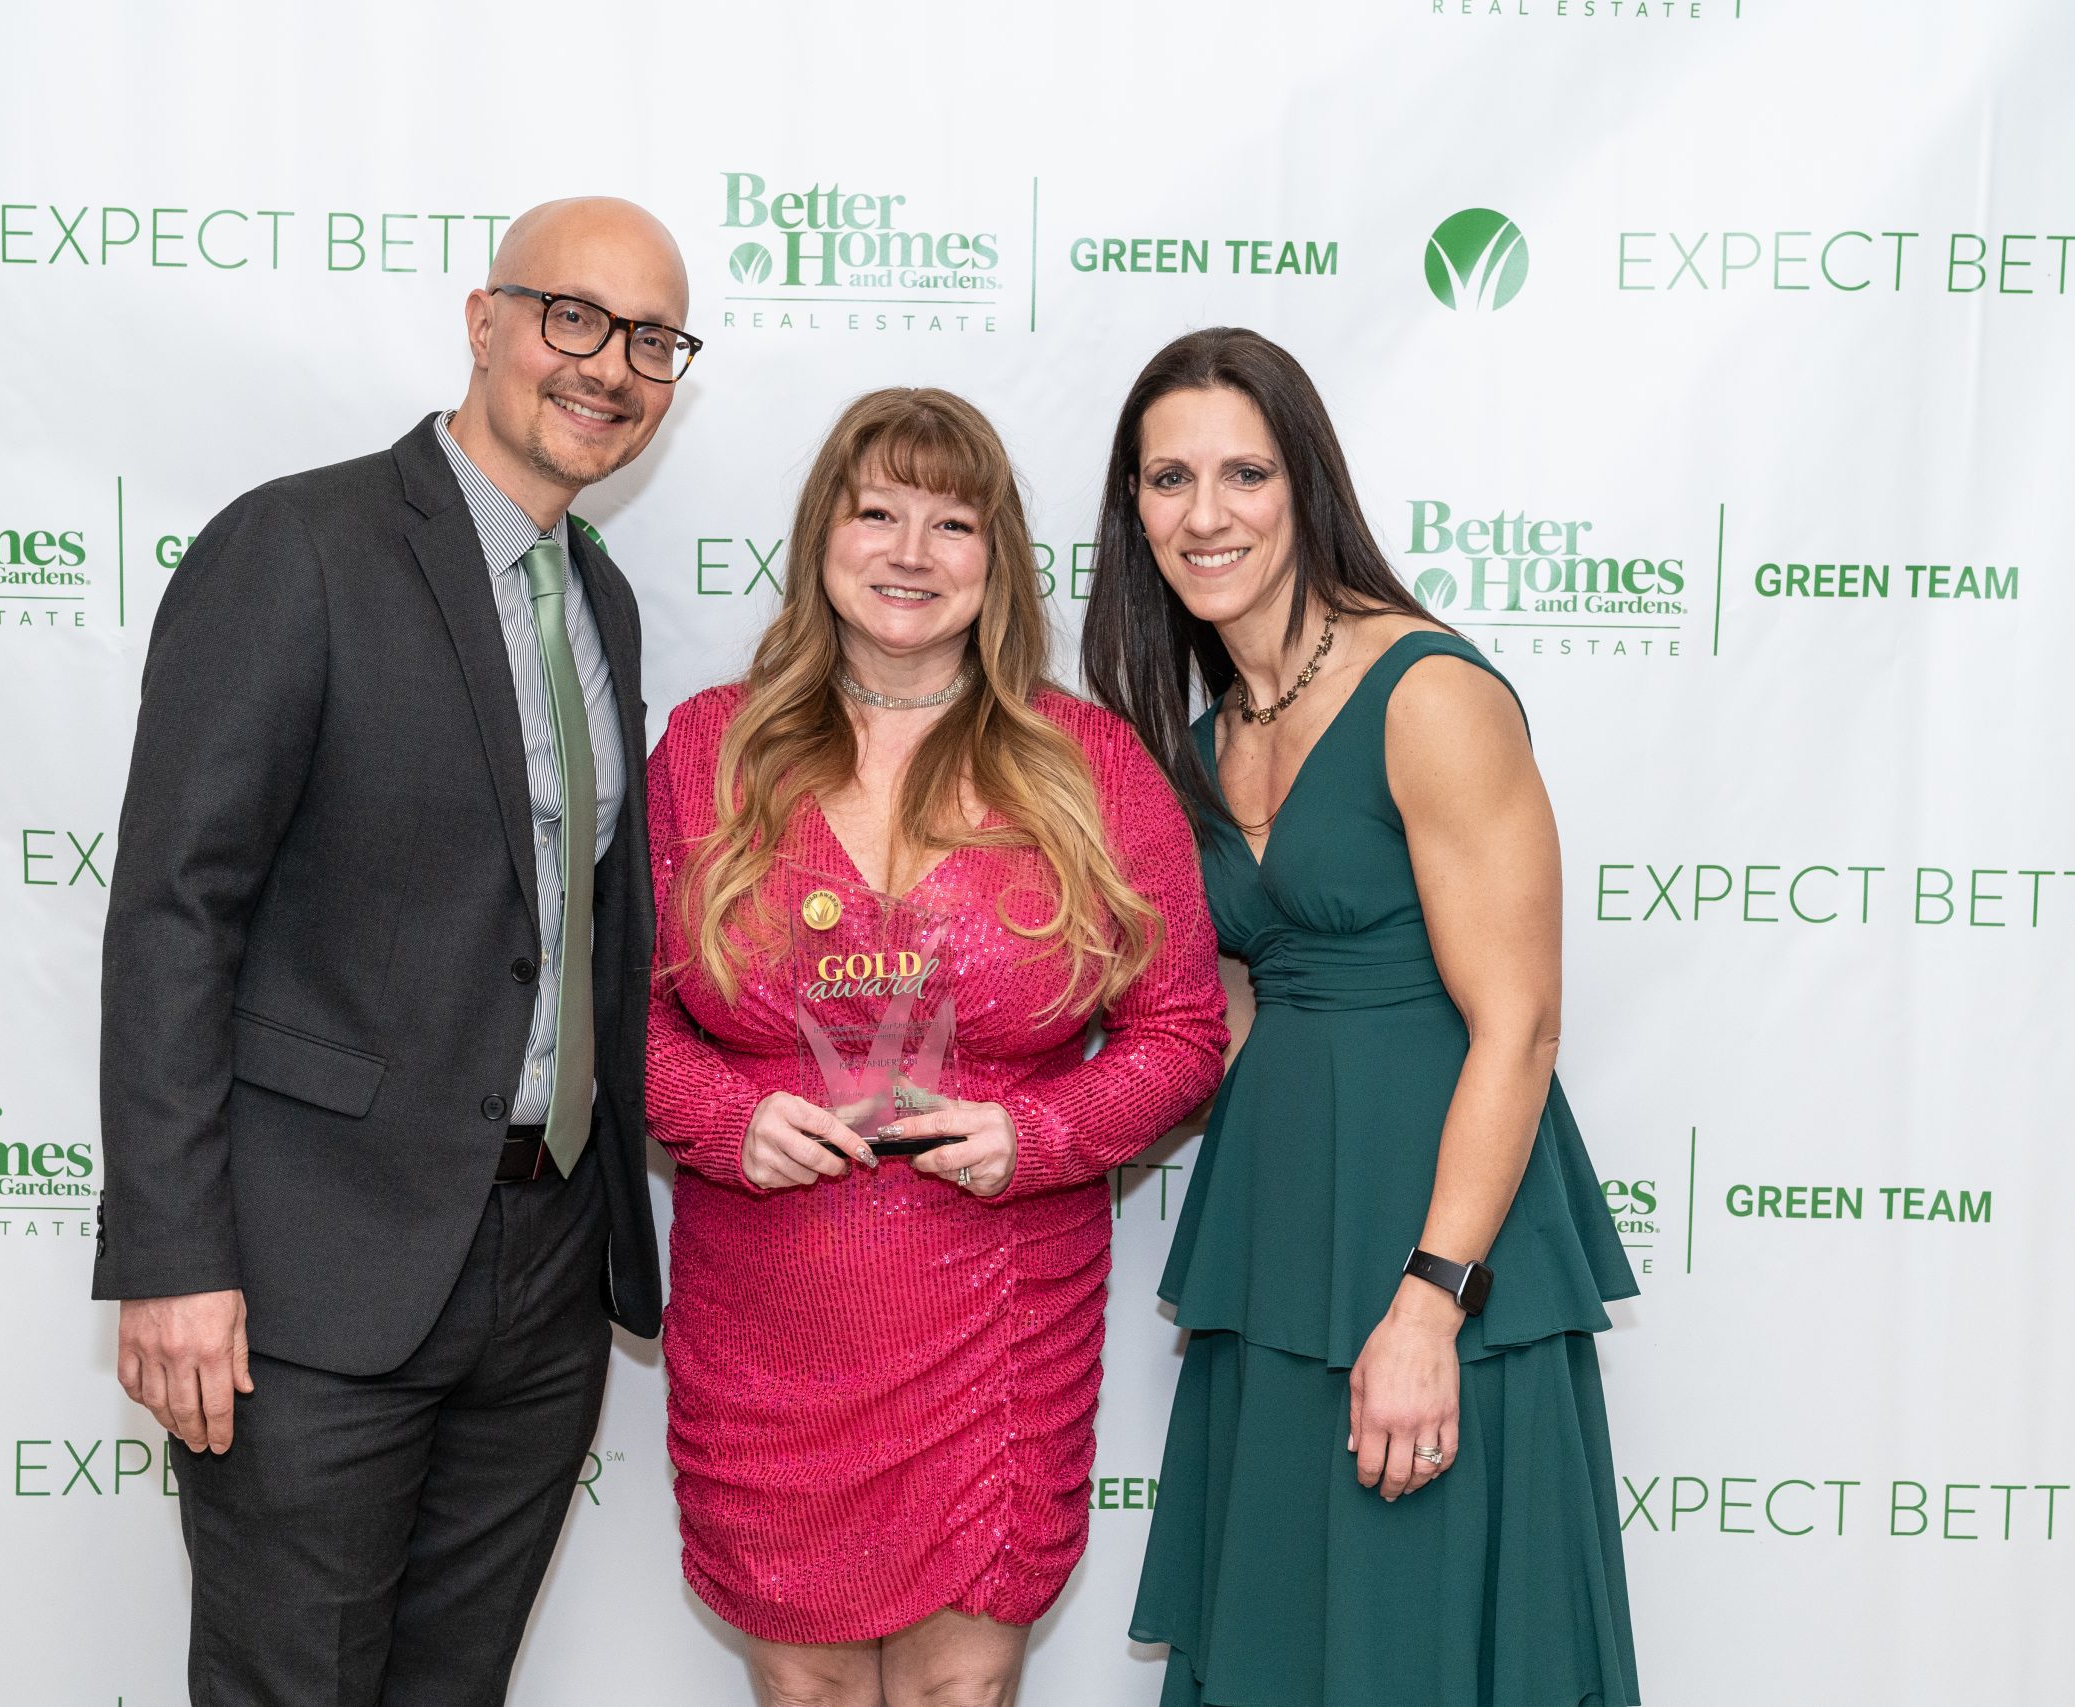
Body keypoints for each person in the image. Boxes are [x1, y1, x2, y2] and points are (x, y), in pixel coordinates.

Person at [93, 197, 698, 1706]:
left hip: (545, 1275)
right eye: (573, 316)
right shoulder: (297, 547)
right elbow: (174, 913)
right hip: (314, 1272)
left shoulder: (599, 597)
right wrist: (173, 1257)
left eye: (652, 340)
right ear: (484, 321)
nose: (610, 366)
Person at [1082, 328, 1642, 1707]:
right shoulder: (1202, 741)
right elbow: (1219, 1015)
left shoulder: (1429, 694)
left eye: (1244, 473)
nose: (1205, 515)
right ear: (1133, 509)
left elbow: (1521, 1025)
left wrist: (1431, 1303)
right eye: (1169, 479)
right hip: (1278, 1242)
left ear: (1307, 484)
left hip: (1437, 1248)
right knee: (1281, 1641)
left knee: (1421, 1643)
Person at [646, 388, 1229, 1707]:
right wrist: (724, 1119)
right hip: (770, 1317)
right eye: (878, 513)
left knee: (958, 1695)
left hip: (999, 1313)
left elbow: (1183, 1032)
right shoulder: (709, 751)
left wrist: (1044, 1133)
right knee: (808, 1694)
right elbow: (616, 1022)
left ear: (997, 558)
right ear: (822, 537)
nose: (912, 552)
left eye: (953, 522)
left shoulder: (1088, 763)